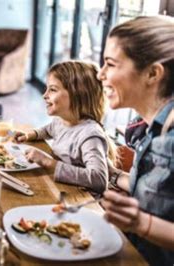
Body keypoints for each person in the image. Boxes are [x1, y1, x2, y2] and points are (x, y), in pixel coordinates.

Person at [97, 16, 174, 266]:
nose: (100, 74)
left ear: (153, 73)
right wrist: (111, 175)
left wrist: (141, 223)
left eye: (110, 64)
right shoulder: (151, 128)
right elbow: (159, 194)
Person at [14, 60, 116, 194]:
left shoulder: (90, 135)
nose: (45, 95)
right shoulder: (61, 121)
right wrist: (30, 135)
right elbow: (48, 130)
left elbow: (99, 180)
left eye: (53, 90)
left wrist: (48, 163)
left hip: (81, 199)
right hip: (60, 188)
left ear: (77, 95)